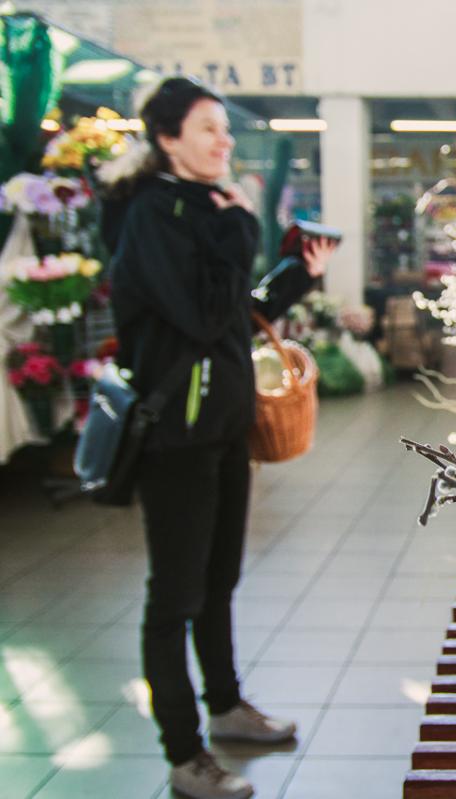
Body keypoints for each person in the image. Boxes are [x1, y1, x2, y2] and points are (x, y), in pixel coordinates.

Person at [99, 77, 336, 799]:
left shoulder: (203, 206)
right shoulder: (152, 213)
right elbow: (201, 315)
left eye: (224, 128)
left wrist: (295, 276)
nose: (223, 140)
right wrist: (242, 228)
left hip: (224, 428)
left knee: (218, 583)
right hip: (176, 436)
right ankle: (184, 755)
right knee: (174, 597)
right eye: (207, 127)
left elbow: (231, 312)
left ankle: (227, 707)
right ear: (167, 137)